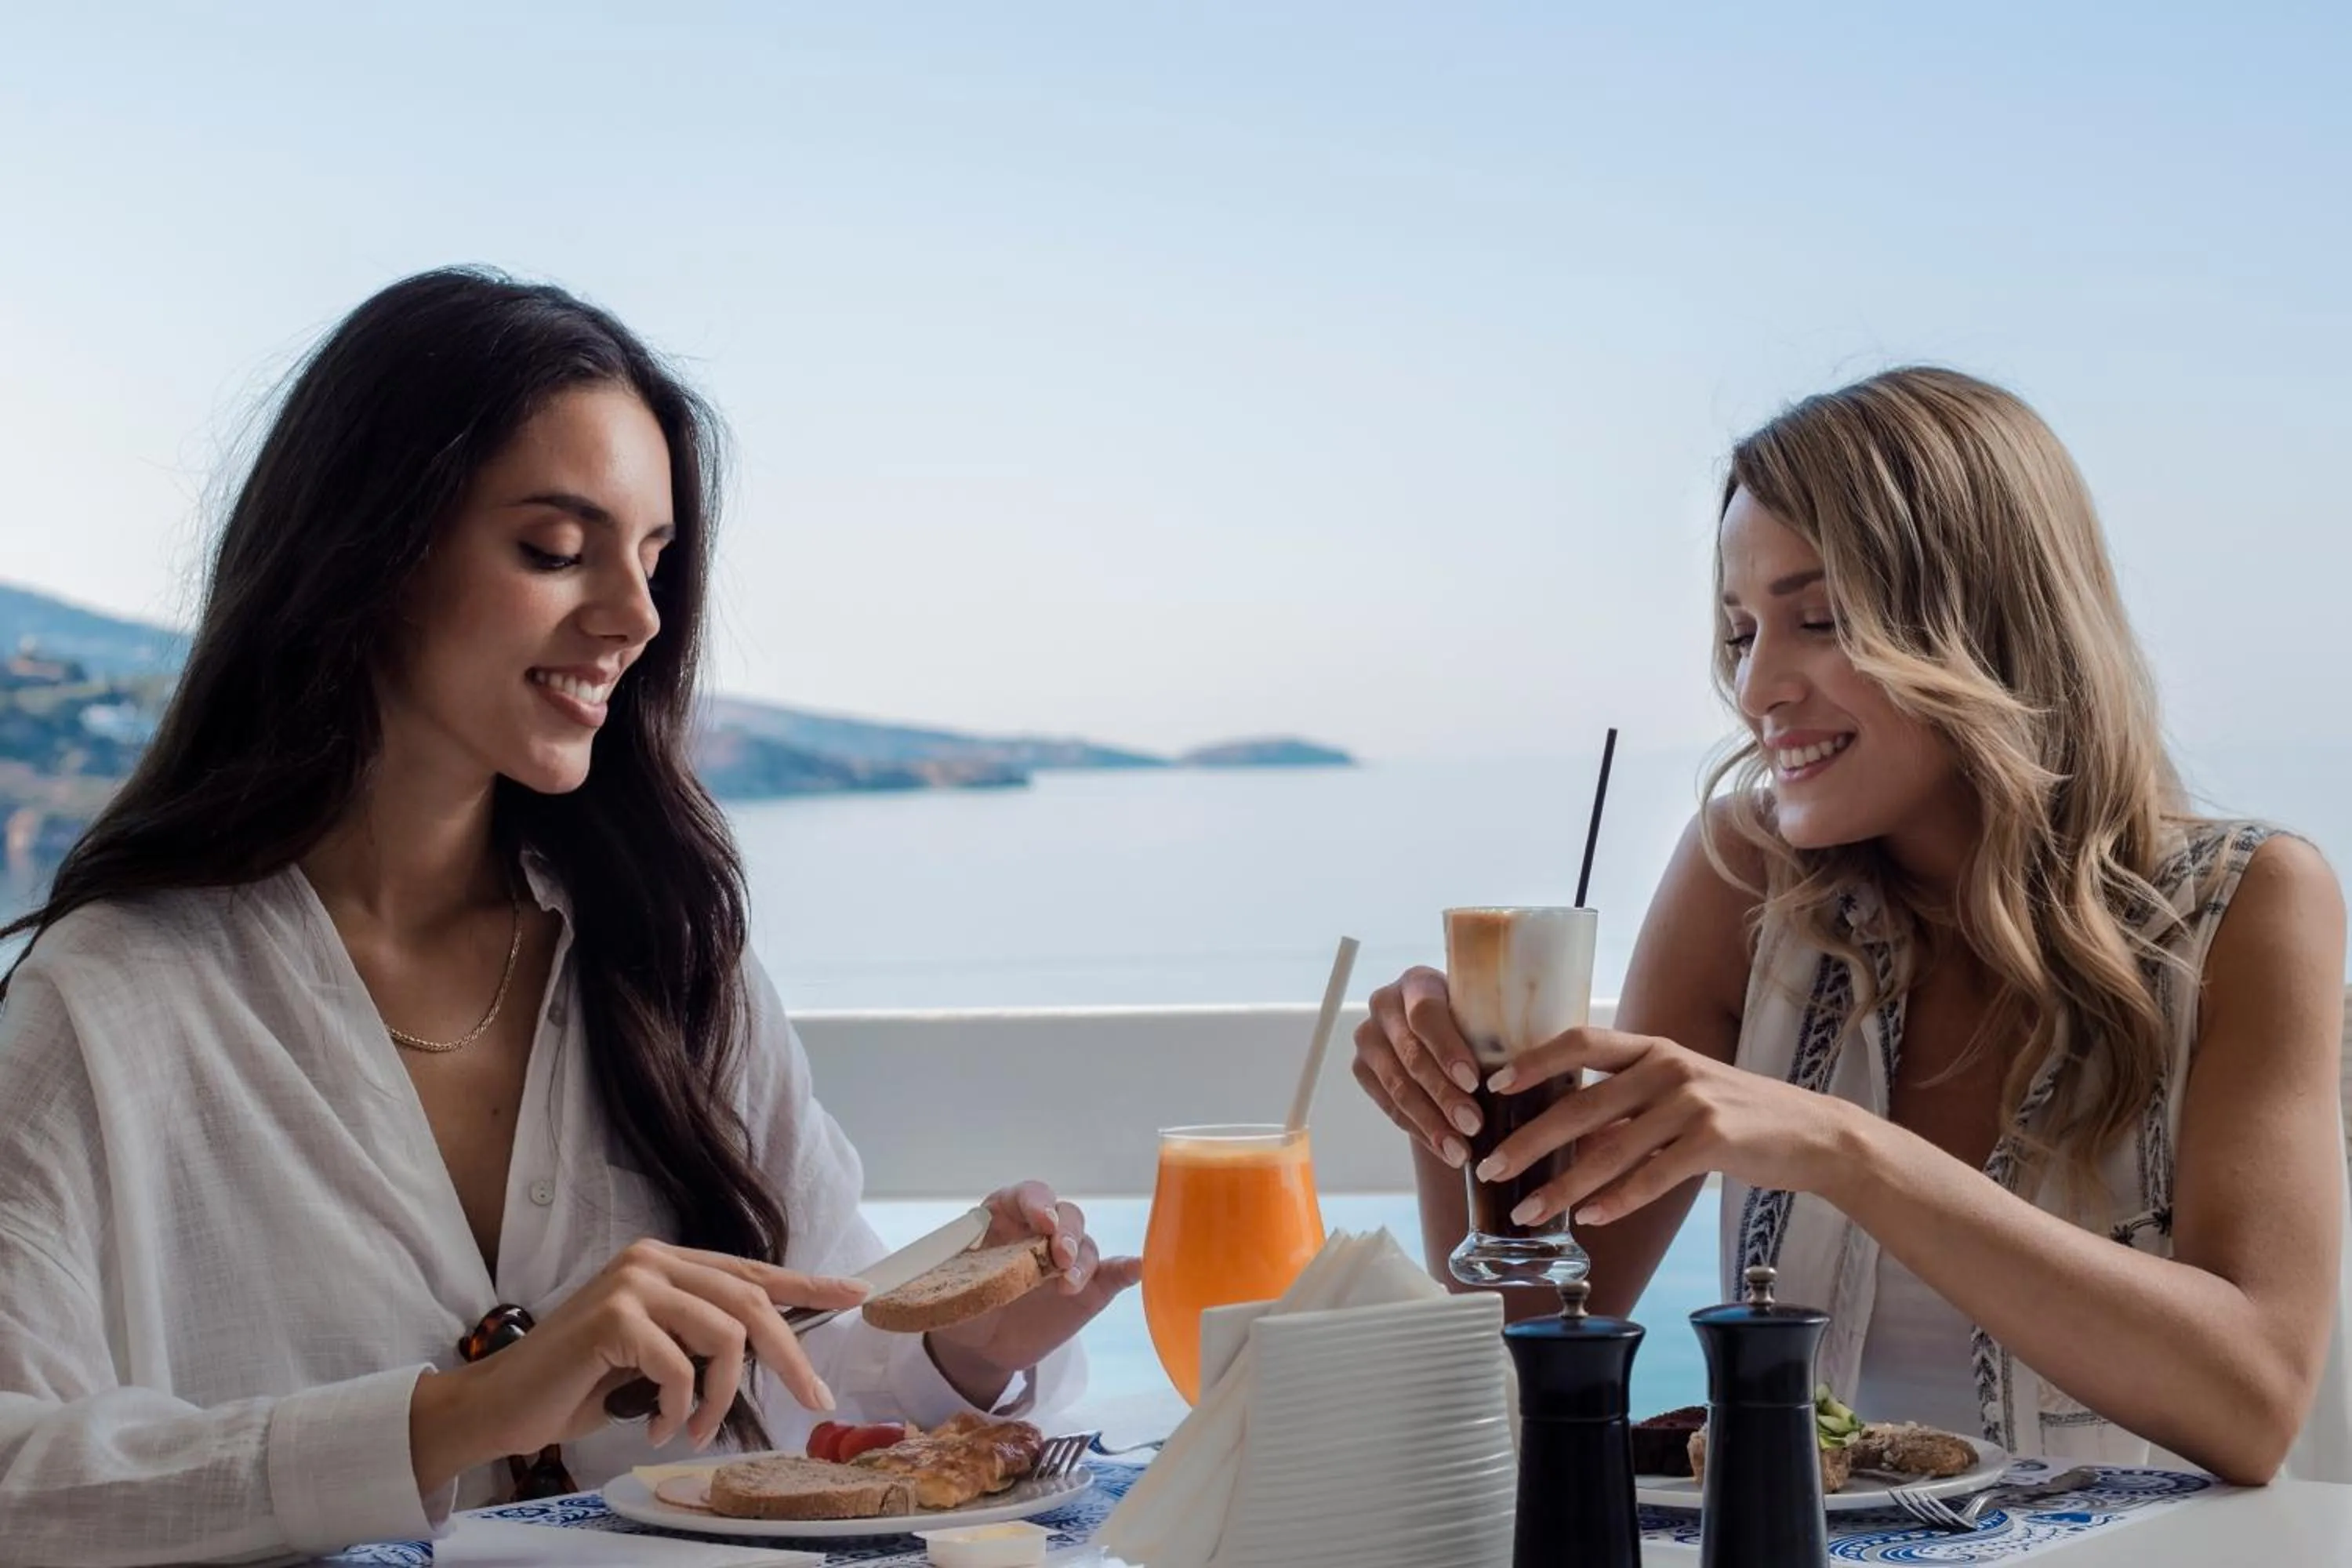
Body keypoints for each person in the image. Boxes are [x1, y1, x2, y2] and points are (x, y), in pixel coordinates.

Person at [0, 267, 1142, 1566]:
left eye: (656, 560)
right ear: (368, 550)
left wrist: (964, 1351)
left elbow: (820, 1375)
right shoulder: (109, 1005)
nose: (637, 618)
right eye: (554, 550)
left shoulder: (673, 955)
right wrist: (458, 1415)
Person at [1352, 366, 2350, 1485]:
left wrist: (1848, 1153)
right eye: (1741, 633)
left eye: (1820, 620)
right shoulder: (1739, 879)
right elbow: (1532, 1350)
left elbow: (2253, 1404)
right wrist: (1455, 1105)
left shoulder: (2246, 902)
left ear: (1985, 622)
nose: (1757, 690)